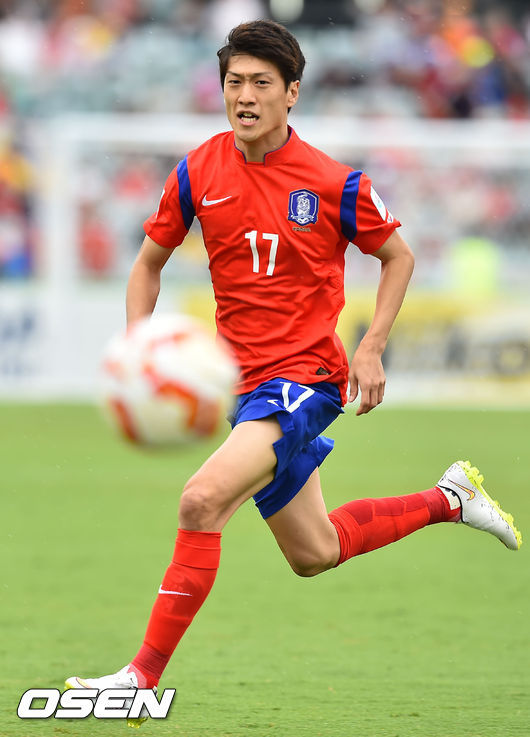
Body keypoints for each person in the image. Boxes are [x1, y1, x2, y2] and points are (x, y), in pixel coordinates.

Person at [65, 20, 522, 726]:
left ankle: (138, 680)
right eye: (234, 82)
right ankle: (450, 498)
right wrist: (137, 348)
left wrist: (370, 346)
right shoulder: (196, 170)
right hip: (245, 388)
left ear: (292, 93)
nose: (244, 96)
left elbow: (397, 256)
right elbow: (147, 265)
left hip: (305, 380)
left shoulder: (334, 182)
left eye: (261, 83)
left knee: (200, 501)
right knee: (315, 551)